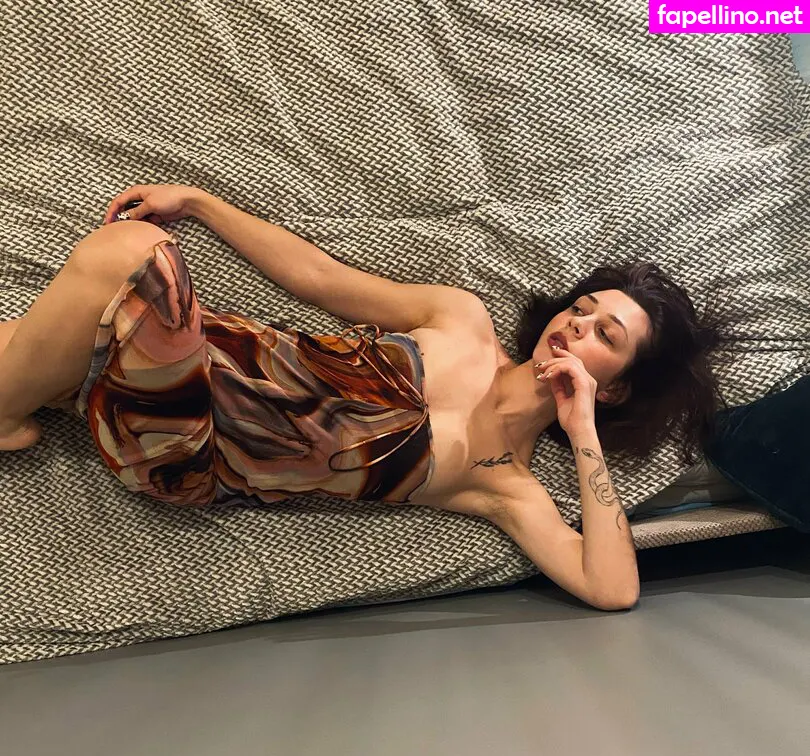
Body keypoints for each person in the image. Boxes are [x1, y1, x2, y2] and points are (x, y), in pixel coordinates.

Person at [0, 185, 737, 611]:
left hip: (190, 449)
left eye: (605, 334)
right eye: (582, 307)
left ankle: (12, 408)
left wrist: (581, 433)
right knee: (43, 324)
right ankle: (40, 397)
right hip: (194, 348)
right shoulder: (463, 320)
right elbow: (319, 279)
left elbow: (612, 588)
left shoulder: (504, 483)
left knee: (131, 254)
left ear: (617, 386)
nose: (576, 325)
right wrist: (198, 202)